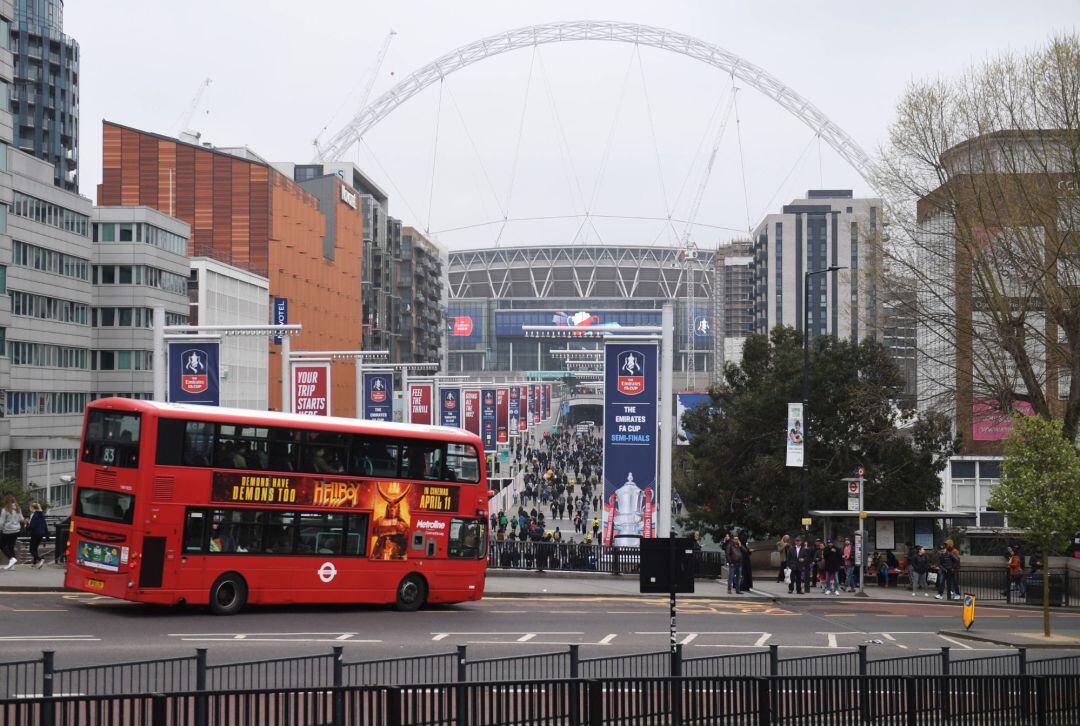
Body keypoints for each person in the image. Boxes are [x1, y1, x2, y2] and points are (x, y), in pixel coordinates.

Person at [0, 495, 22, 570]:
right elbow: (21, 519)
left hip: (7, 531)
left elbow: (1, 522)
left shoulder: (5, 509)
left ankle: (12, 559)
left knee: (2, 545)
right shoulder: (18, 509)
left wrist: (1, 529)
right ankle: (12, 566)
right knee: (11, 546)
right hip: (16, 530)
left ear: (6, 501)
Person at [26, 503, 48, 569]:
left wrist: (26, 526)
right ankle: (35, 563)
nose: (29, 509)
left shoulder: (34, 515)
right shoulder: (41, 515)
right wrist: (47, 535)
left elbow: (32, 526)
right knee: (35, 548)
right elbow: (45, 525)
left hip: (35, 534)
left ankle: (40, 559)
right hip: (41, 534)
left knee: (31, 550)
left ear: (33, 508)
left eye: (30, 507)